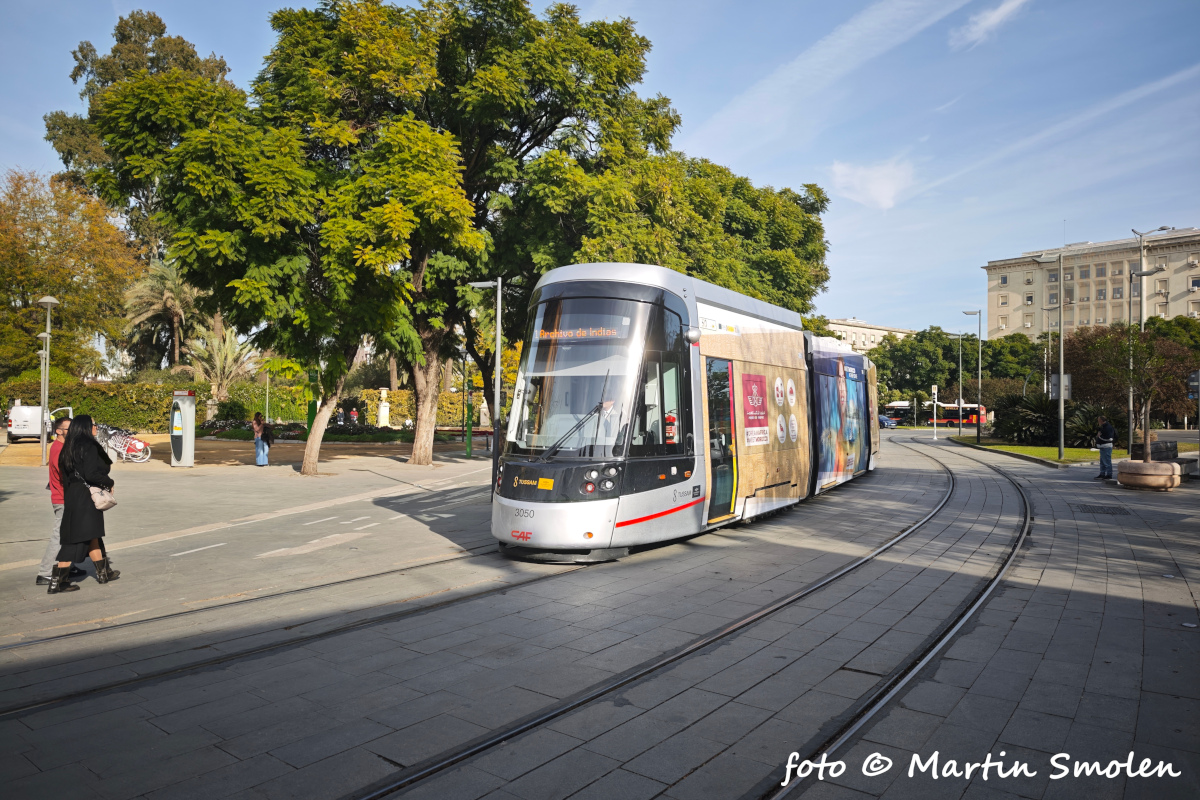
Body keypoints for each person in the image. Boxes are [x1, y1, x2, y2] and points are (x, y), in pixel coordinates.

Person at [51, 415, 120, 593]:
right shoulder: (88, 446)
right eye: (94, 425)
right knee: (76, 539)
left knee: (92, 535)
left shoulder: (68, 447)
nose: (96, 427)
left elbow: (64, 476)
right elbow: (91, 474)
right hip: (85, 496)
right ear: (86, 427)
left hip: (73, 495)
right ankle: (58, 582)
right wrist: (109, 482)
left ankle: (104, 573)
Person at [36, 417, 86, 586]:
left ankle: (66, 566)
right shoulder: (59, 449)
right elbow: (67, 476)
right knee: (60, 535)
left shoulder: (64, 447)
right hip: (63, 499)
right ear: (58, 431)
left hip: (67, 497)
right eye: (69, 428)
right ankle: (45, 573)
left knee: (70, 535)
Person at [1095, 415, 1116, 480]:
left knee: (1107, 461)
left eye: (1099, 420)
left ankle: (1109, 475)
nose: (1098, 422)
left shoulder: (1108, 427)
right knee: (1102, 461)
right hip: (1103, 446)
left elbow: (1109, 438)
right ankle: (1102, 474)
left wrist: (1099, 437)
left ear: (1101, 420)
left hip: (1106, 446)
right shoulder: (1104, 427)